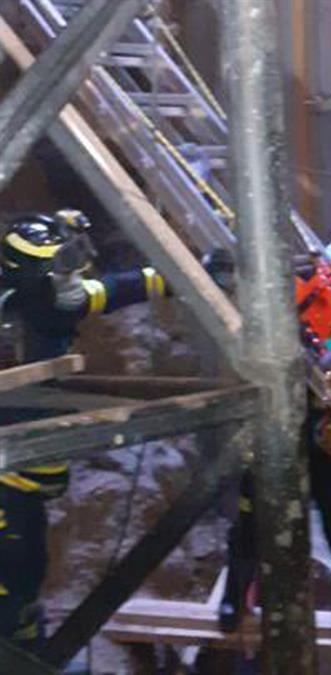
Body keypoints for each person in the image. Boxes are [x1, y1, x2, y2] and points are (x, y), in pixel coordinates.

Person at [219, 196, 331, 639]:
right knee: (268, 516)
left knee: (327, 519)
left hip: (312, 418)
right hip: (302, 417)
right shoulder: (314, 279)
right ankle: (244, 596)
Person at [0, 210, 168, 651]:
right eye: (64, 265)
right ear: (34, 271)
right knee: (15, 567)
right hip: (8, 465)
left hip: (30, 464)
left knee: (25, 570)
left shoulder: (51, 302)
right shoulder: (23, 306)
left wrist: (192, 276)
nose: (76, 279)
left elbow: (116, 289)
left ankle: (25, 645)